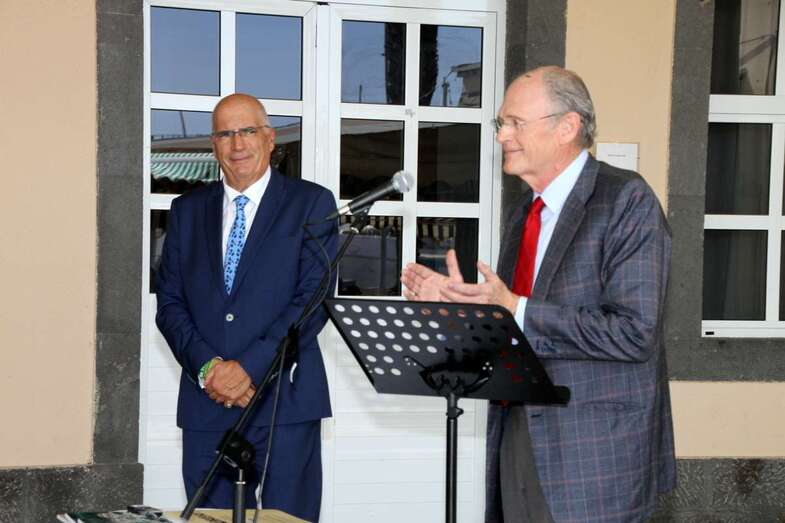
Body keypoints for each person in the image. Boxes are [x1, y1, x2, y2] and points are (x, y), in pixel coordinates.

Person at [401, 66, 676, 522]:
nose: (501, 135)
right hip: (519, 432)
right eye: (501, 123)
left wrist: (513, 306)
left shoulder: (626, 200)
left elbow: (635, 332)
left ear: (567, 126)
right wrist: (461, 309)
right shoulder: (524, 214)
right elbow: (512, 329)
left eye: (515, 122)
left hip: (594, 454)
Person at [155, 93, 337, 522]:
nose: (237, 144)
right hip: (208, 401)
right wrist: (209, 369)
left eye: (248, 131)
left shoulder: (311, 204)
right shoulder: (186, 210)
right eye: (225, 134)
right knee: (209, 518)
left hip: (285, 401)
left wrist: (249, 368)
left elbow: (312, 301)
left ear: (270, 139)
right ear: (213, 145)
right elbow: (170, 303)